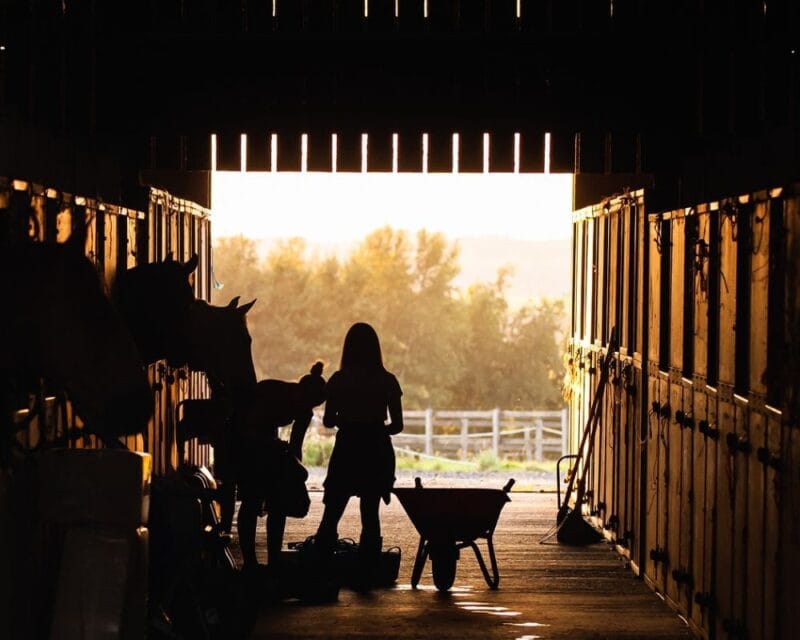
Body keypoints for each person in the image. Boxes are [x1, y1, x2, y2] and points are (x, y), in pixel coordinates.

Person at [313, 322, 403, 584]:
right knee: (370, 513)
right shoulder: (388, 381)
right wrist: (374, 428)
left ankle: (320, 571)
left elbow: (329, 421)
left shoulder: (339, 380)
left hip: (348, 448)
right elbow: (397, 425)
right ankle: (368, 573)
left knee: (332, 512)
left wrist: (350, 423)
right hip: (376, 449)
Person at [236, 361, 327, 570]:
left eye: (310, 406)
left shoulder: (304, 409)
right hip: (247, 442)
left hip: (267, 445)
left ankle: (273, 561)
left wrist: (295, 475)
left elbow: (296, 446)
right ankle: (251, 561)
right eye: (306, 402)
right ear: (299, 390)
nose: (306, 407)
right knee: (252, 500)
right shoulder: (269, 391)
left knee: (277, 504)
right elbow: (249, 426)